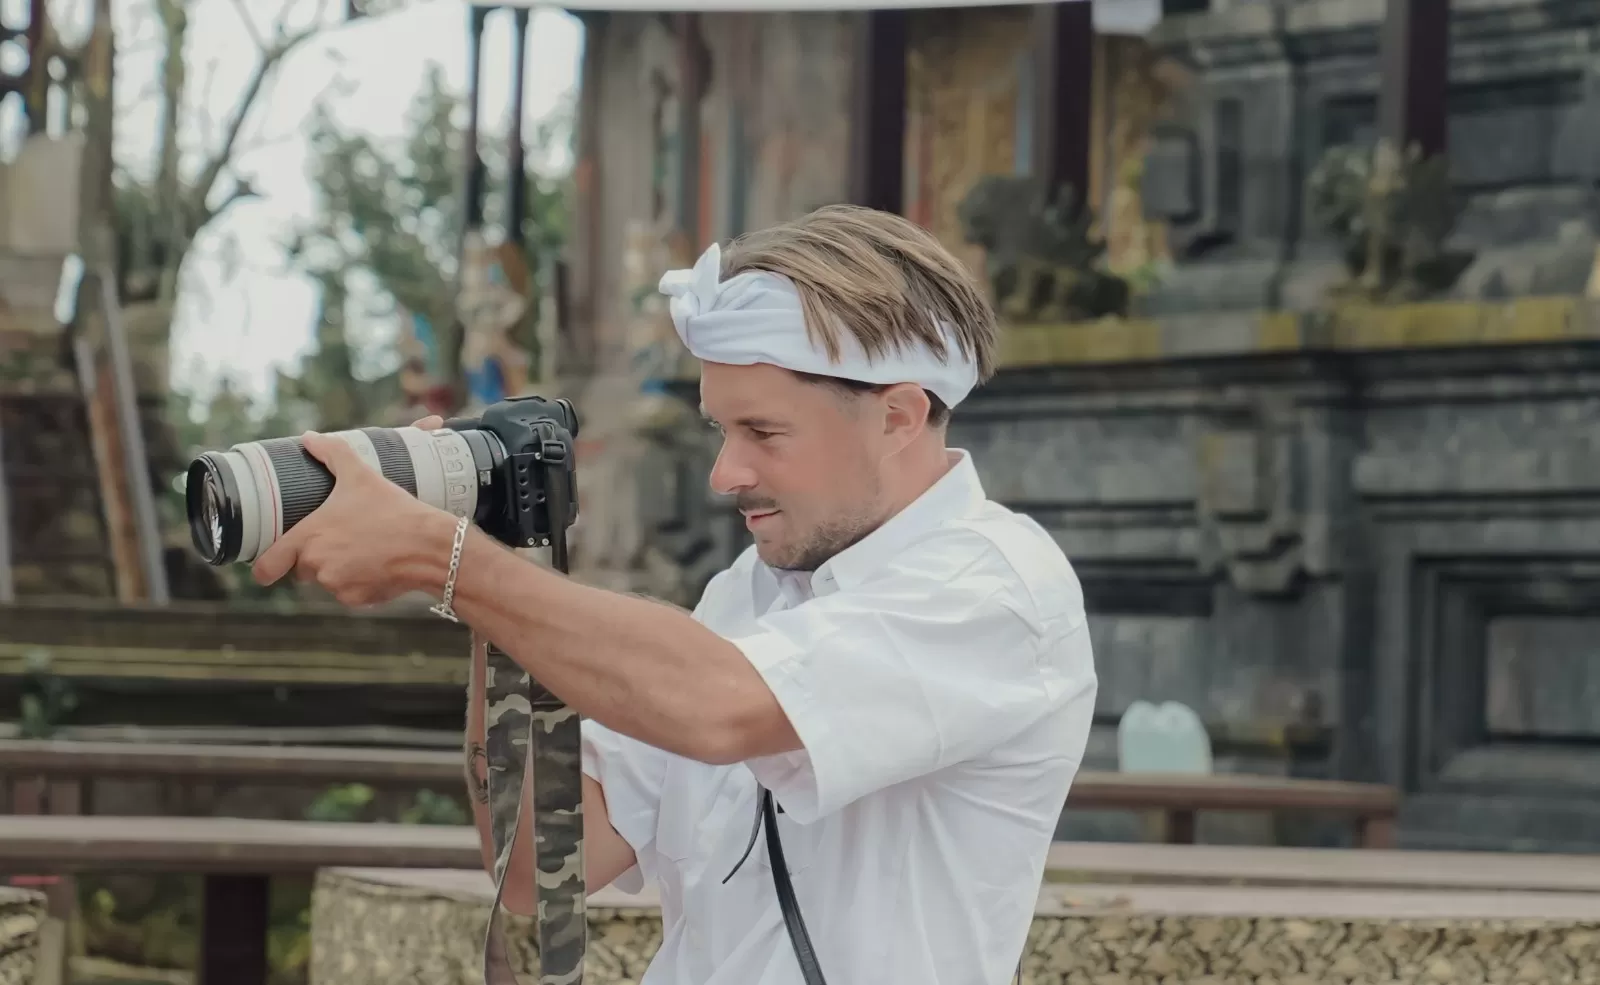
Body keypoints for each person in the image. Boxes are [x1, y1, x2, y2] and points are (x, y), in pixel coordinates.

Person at [252, 205, 1098, 985]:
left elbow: (723, 705)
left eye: (764, 432)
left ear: (900, 416)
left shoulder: (997, 589)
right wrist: (495, 551)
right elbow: (541, 866)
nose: (726, 474)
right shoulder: (747, 594)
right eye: (720, 430)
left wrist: (450, 561)